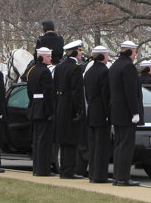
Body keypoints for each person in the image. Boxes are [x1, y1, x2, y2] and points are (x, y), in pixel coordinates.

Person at [108, 40, 143, 186]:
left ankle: (117, 176)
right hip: (127, 112)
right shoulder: (128, 66)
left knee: (119, 145)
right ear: (129, 52)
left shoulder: (115, 65)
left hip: (116, 111)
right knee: (126, 146)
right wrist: (135, 112)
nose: (135, 55)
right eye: (135, 52)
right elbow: (130, 92)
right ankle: (124, 177)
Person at [53, 39, 86, 179]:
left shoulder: (59, 67)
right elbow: (76, 91)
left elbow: (55, 87)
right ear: (75, 52)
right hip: (71, 106)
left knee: (63, 139)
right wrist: (79, 110)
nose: (81, 54)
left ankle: (64, 170)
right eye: (80, 51)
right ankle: (69, 170)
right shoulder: (76, 68)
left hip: (61, 104)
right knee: (72, 140)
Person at [83, 45, 111, 183]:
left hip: (92, 111)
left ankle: (93, 173)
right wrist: (108, 112)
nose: (108, 58)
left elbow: (88, 95)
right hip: (101, 113)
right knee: (102, 146)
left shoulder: (89, 72)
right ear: (102, 56)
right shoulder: (104, 71)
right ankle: (100, 175)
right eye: (106, 55)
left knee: (93, 145)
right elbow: (106, 95)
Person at [28, 47, 55, 176]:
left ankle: (36, 168)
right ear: (42, 57)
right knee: (44, 141)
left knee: (37, 139)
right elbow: (48, 93)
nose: (50, 58)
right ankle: (43, 169)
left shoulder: (32, 71)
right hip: (43, 108)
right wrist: (51, 111)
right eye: (48, 56)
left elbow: (29, 92)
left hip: (35, 106)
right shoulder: (45, 72)